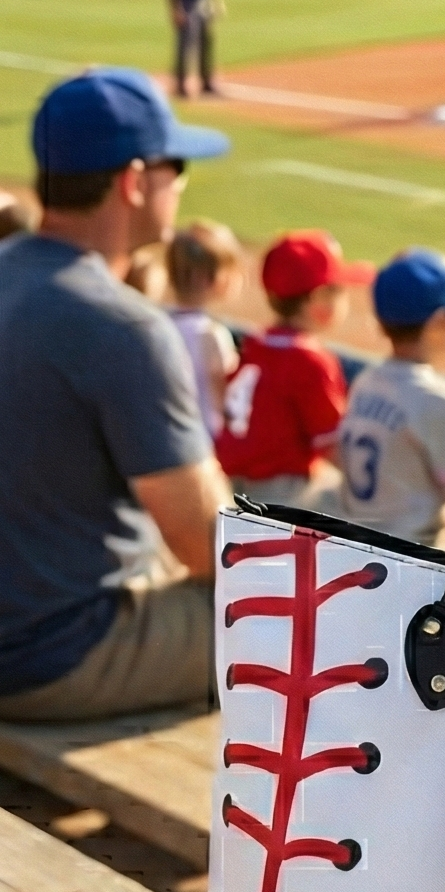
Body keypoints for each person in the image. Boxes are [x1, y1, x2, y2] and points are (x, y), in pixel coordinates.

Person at [0, 69, 232, 721]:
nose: (181, 183)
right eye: (174, 165)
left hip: (25, 625)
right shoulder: (123, 325)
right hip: (46, 657)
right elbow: (210, 545)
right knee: (291, 622)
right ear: (133, 181)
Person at [336, 248, 445, 546]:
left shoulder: (365, 382)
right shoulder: (440, 399)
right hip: (412, 558)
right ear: (439, 322)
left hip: (353, 546)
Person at [217, 231, 371, 510]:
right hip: (277, 494)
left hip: (229, 484)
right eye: (338, 289)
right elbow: (333, 446)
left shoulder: (256, 343)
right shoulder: (310, 358)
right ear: (318, 299)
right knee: (367, 510)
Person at [166, 221, 245, 438]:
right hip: (205, 440)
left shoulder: (158, 325)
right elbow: (226, 399)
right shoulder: (211, 335)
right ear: (218, 280)